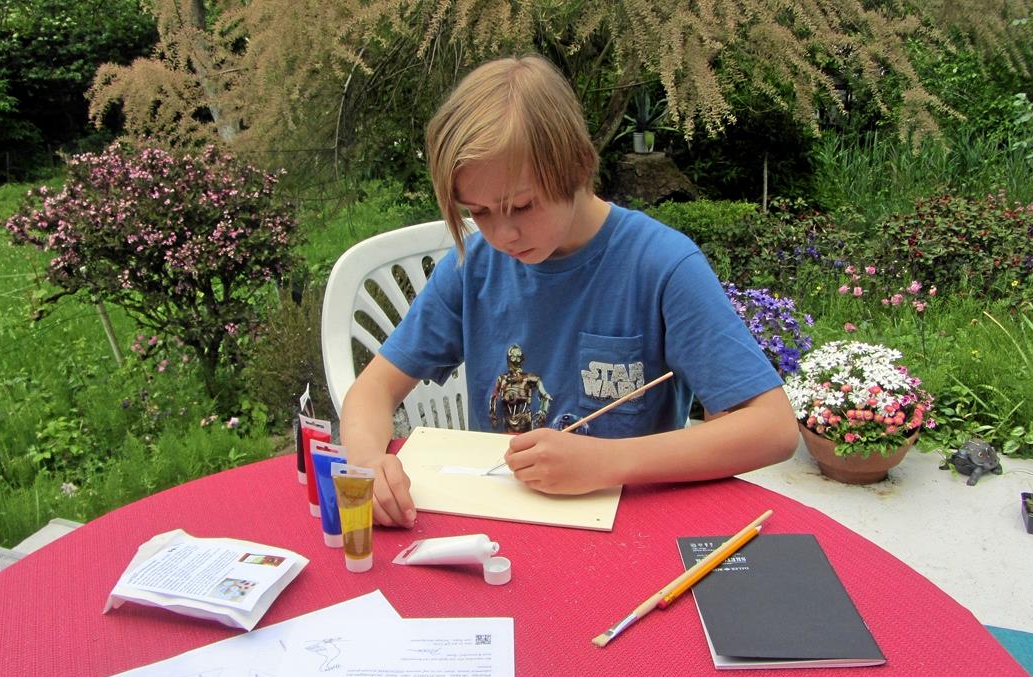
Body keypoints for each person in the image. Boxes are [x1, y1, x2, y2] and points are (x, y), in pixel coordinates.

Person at [339, 54, 798, 528]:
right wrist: (367, 462)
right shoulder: (474, 266)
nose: (503, 235)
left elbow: (771, 428)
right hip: (501, 529)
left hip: (629, 531)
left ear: (577, 167)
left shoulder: (660, 265)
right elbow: (372, 390)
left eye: (520, 205)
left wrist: (608, 462)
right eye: (479, 211)